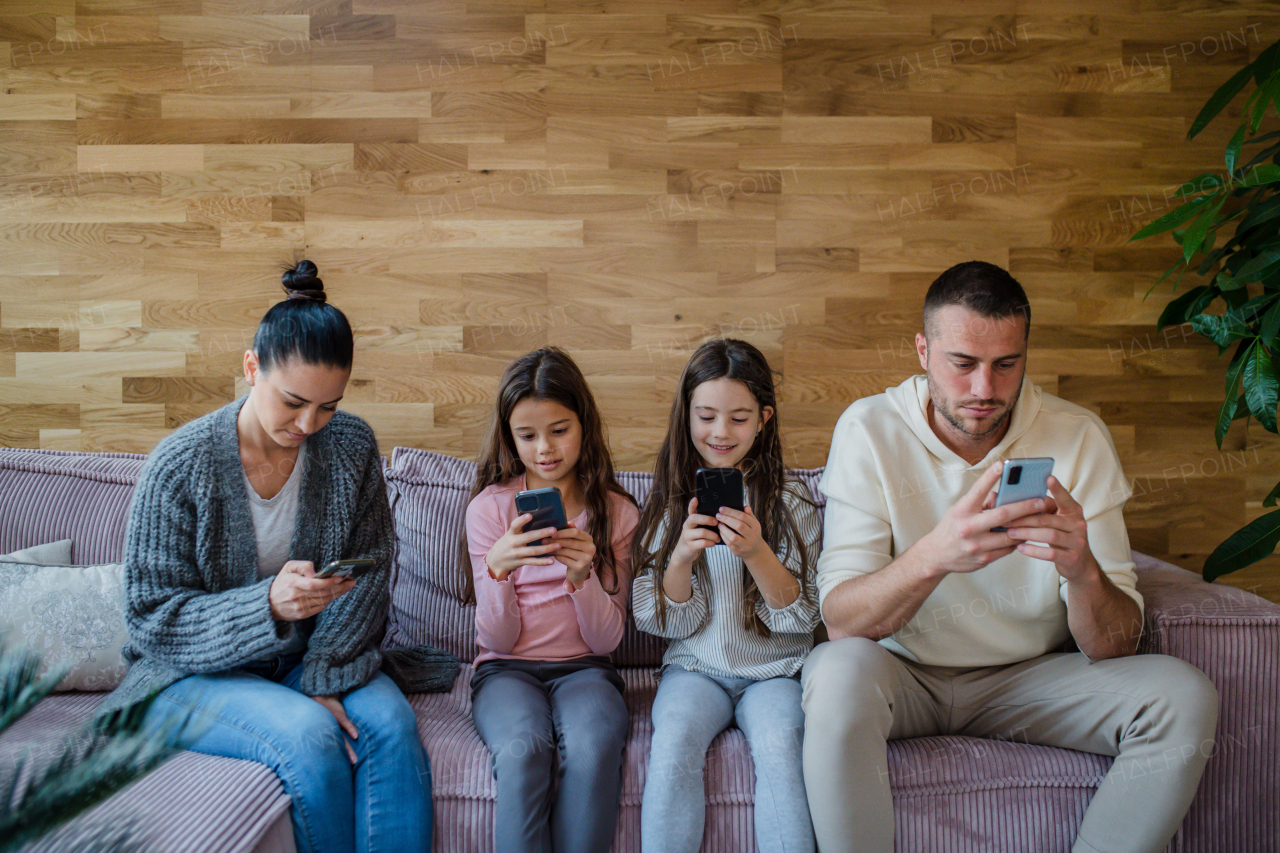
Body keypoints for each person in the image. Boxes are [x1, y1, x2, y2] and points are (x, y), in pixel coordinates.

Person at [802, 261, 1219, 853]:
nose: (984, 390)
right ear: (923, 350)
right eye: (963, 364)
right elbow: (842, 621)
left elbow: (1116, 645)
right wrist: (936, 555)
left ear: (1026, 353)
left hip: (1028, 678)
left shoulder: (1078, 436)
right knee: (835, 672)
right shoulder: (869, 428)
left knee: (1183, 695)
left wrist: (1083, 573)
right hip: (902, 675)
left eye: (1006, 364)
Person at [97, 261, 433, 853]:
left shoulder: (351, 445)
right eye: (294, 402)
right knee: (308, 735)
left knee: (391, 727)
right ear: (252, 367)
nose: (309, 424)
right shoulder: (180, 466)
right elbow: (152, 619)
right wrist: (267, 607)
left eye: (328, 406)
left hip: (309, 659)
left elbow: (370, 569)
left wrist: (326, 671)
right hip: (184, 675)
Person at [632, 339, 821, 853]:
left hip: (773, 671)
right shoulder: (671, 502)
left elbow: (804, 616)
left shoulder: (790, 501)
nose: (720, 432)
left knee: (782, 748)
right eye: (707, 416)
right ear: (686, 415)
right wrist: (681, 559)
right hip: (696, 668)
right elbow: (659, 620)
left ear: (763, 420)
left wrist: (758, 553)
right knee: (672, 742)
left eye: (738, 419)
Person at [462, 346, 640, 853]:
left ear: (584, 426)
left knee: (594, 743)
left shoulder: (617, 513)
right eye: (527, 435)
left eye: (560, 430)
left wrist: (583, 577)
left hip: (587, 668)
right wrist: (497, 571)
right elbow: (496, 638)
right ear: (508, 437)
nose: (545, 448)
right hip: (505, 668)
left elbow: (608, 640)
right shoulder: (489, 510)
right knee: (522, 752)